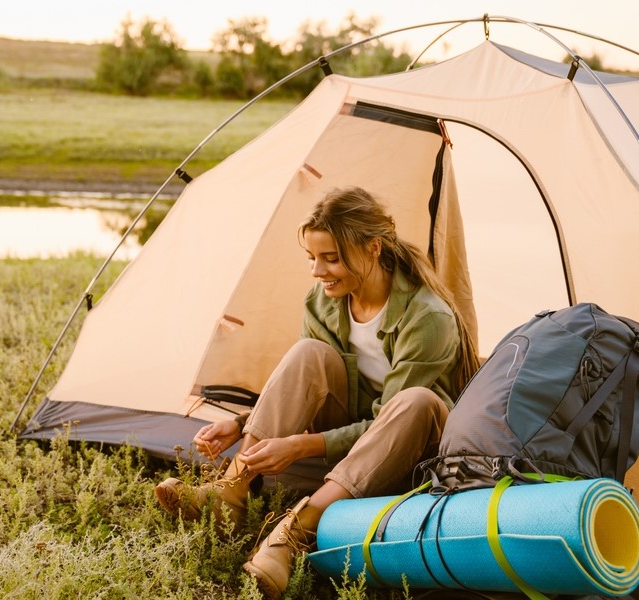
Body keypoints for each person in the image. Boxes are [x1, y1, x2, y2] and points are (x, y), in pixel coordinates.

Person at [154, 185, 481, 598]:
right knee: (308, 352)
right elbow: (303, 382)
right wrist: (241, 424)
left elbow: (389, 420)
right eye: (312, 258)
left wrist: (300, 446)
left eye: (331, 258)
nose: (317, 271)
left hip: (411, 449)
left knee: (415, 400)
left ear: (373, 248)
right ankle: (231, 490)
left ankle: (296, 533)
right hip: (347, 440)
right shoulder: (323, 301)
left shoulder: (427, 317)